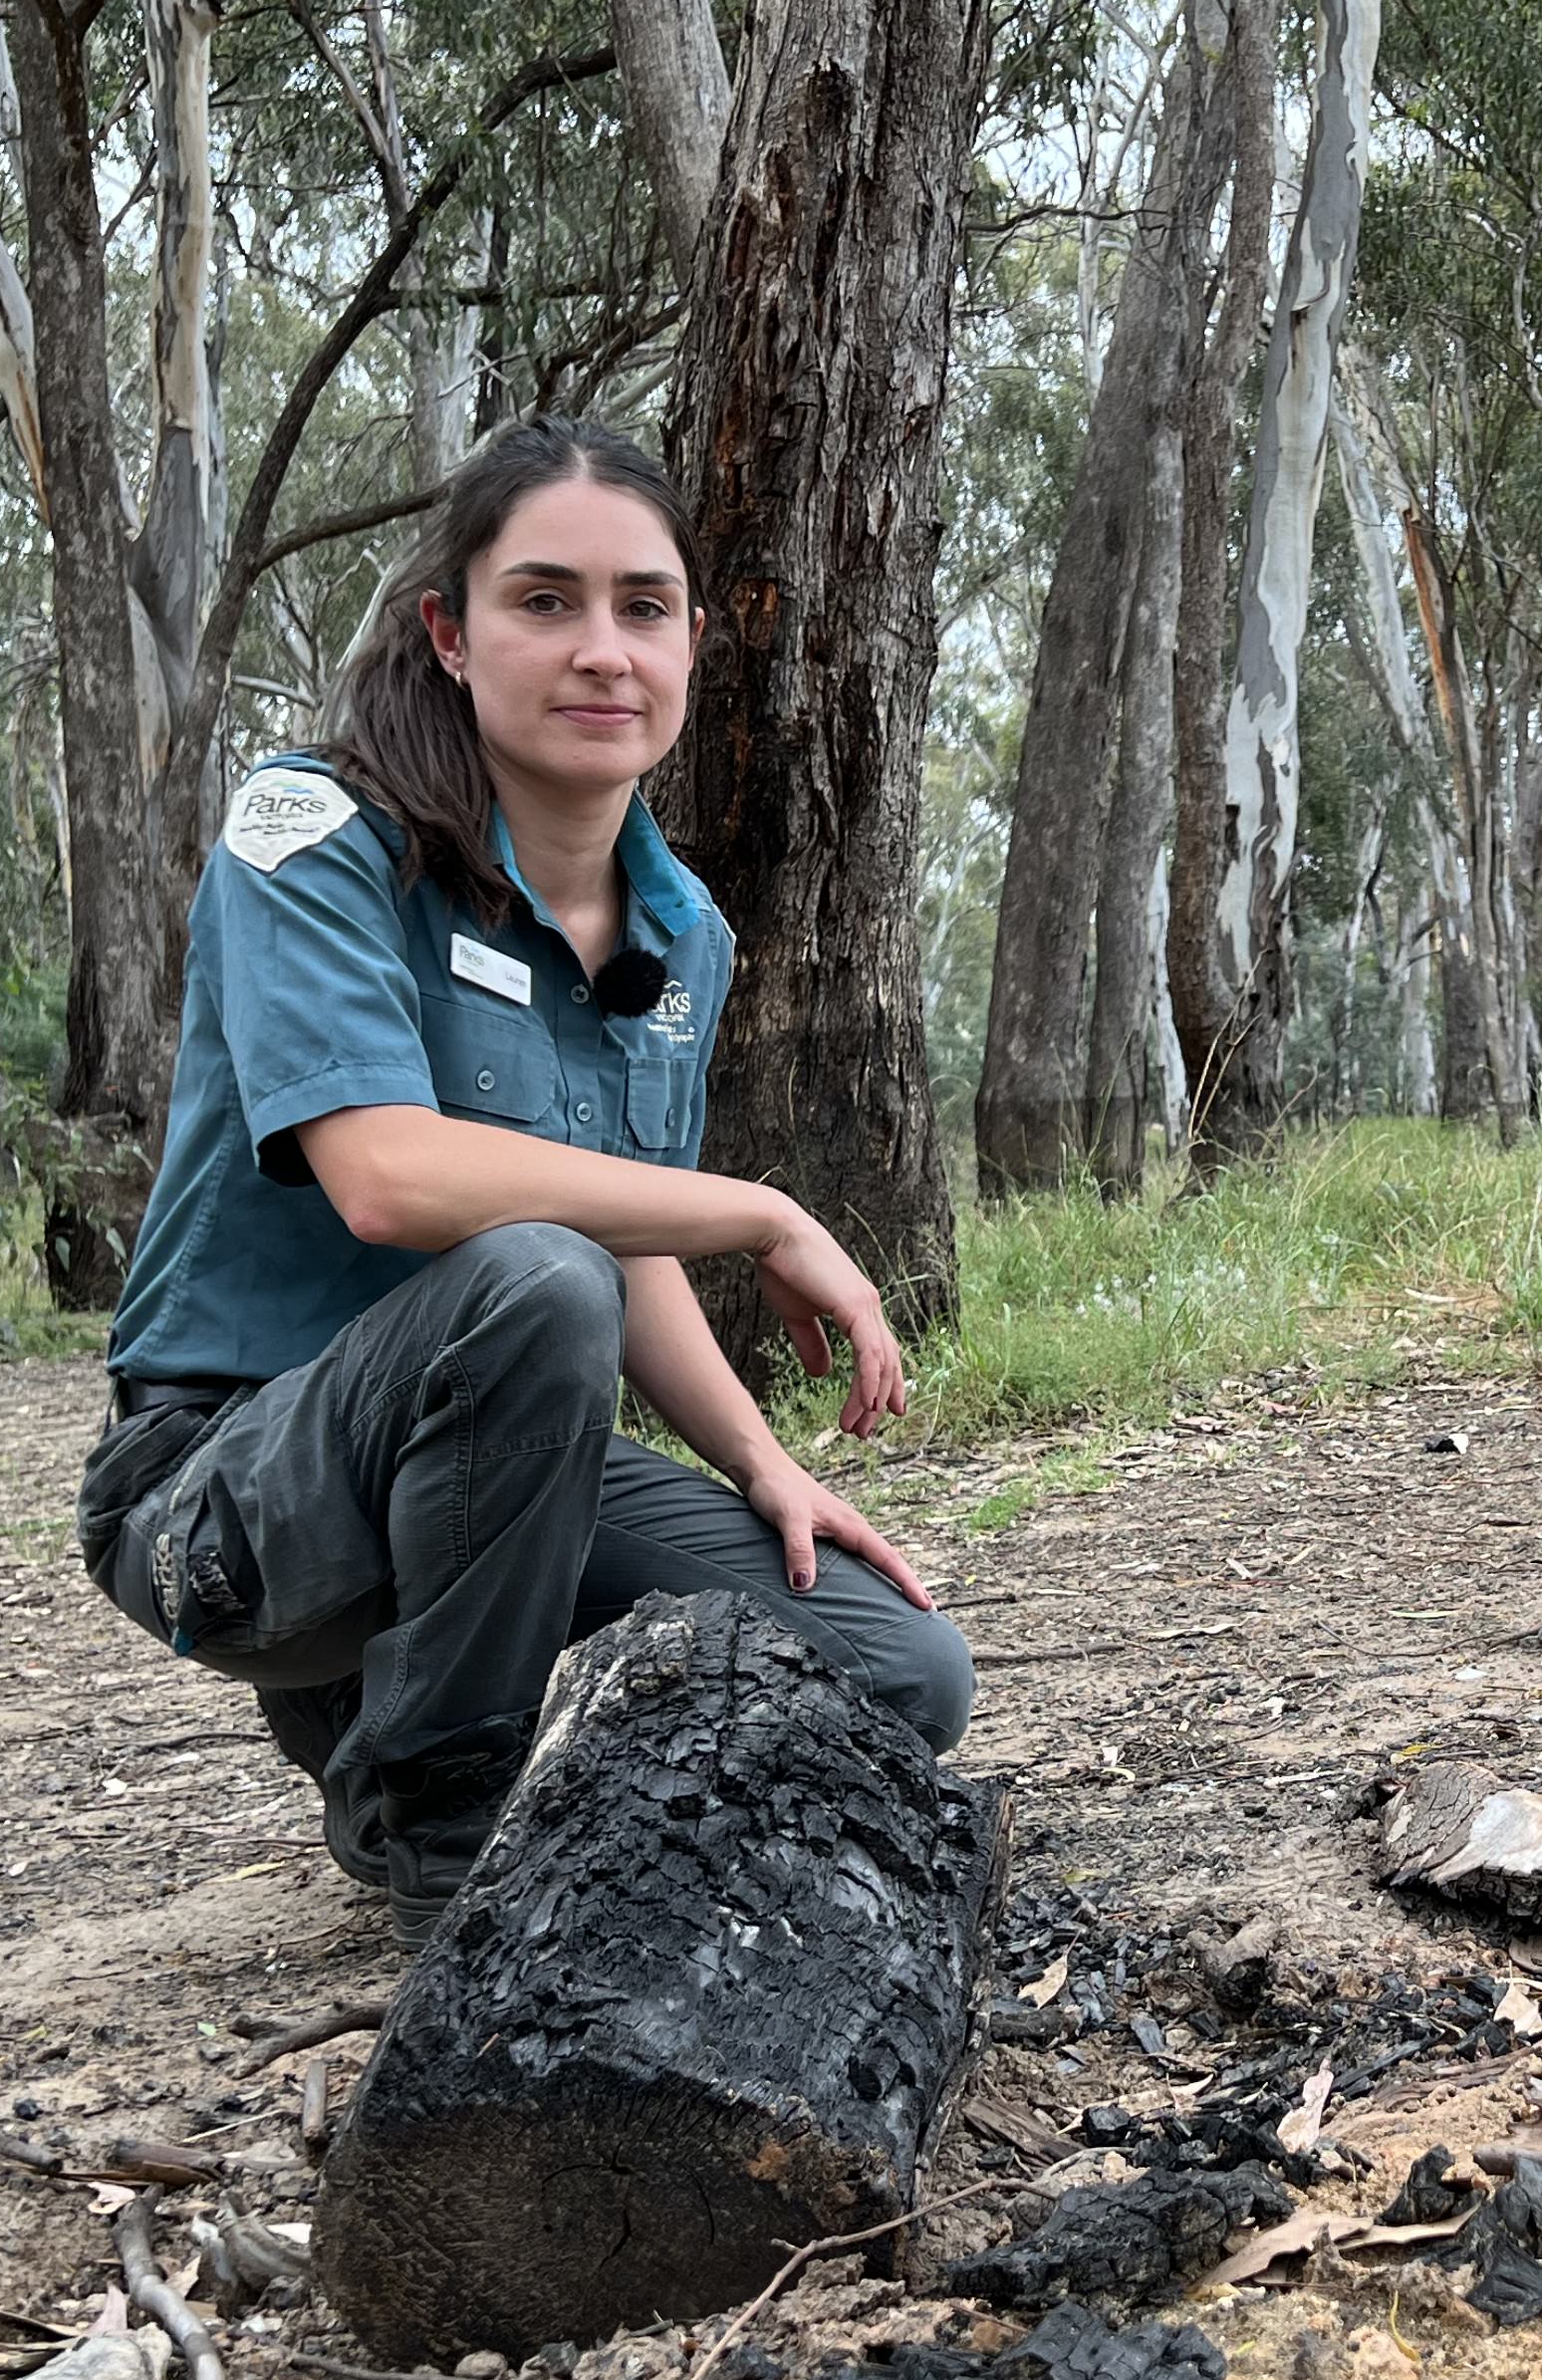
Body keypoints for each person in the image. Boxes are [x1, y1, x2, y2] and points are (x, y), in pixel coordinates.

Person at [77, 416, 968, 1937]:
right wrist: (766, 1209)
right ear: (450, 632)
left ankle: (418, 1717)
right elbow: (389, 1184)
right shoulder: (317, 838)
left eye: (643, 608)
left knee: (898, 1676)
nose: (600, 651)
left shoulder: (682, 932)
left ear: (693, 641)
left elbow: (625, 1247)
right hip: (225, 1503)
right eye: (543, 602)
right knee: (530, 1276)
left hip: (492, 1473)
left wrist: (765, 1469)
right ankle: (438, 1826)